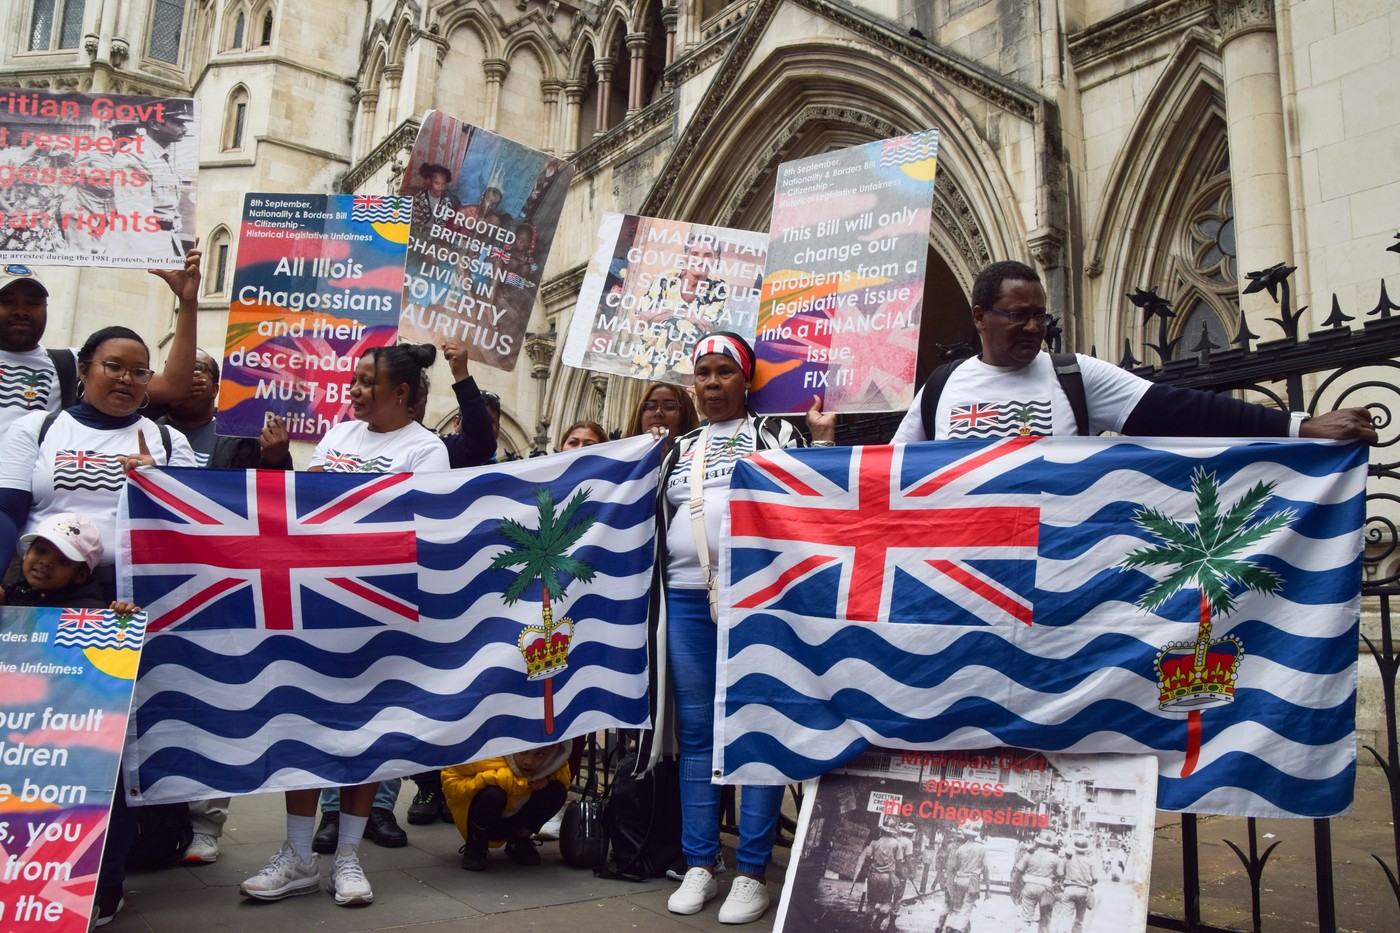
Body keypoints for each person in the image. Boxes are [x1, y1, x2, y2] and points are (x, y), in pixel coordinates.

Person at [0, 323, 199, 926]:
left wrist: (157, 485)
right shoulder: (34, 430)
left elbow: (196, 529)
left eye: (140, 371)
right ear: (84, 369)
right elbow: (8, 513)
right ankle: (22, 877)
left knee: (104, 754)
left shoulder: (167, 440)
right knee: (30, 748)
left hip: (121, 611)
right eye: (114, 366)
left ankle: (98, 883)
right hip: (38, 607)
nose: (127, 379)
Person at [239, 343, 447, 909]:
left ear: (399, 392)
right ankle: (299, 856)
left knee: (364, 730)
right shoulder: (337, 437)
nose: (351, 390)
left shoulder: (426, 451)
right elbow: (305, 513)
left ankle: (349, 858)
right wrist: (281, 462)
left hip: (379, 611)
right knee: (304, 725)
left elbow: (416, 529)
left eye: (363, 381)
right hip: (318, 605)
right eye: (353, 380)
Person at [649, 332, 834, 924]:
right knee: (699, 731)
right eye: (701, 372)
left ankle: (752, 870)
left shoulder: (778, 435)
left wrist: (824, 445)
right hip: (684, 599)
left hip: (760, 601)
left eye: (723, 372)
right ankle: (702, 862)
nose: (710, 383)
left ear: (746, 380)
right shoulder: (680, 448)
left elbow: (812, 500)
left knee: (757, 725)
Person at [891, 260, 1376, 445]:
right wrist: (824, 450)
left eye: (1040, 315)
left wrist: (1300, 426)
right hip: (960, 580)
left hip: (1057, 573)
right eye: (1018, 315)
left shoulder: (1073, 376)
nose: (1034, 327)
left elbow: (1185, 411)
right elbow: (879, 479)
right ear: (980, 317)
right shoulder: (940, 389)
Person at [154, 348, 292, 864]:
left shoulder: (238, 438)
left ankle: (204, 822)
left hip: (217, 591)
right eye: (182, 370)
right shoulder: (143, 429)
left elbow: (269, 504)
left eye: (204, 373)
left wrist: (276, 458)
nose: (192, 379)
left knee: (216, 701)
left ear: (218, 389)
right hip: (152, 590)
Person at [0, 252, 201, 440]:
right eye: (7, 301)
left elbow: (173, 386)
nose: (21, 311)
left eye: (32, 303)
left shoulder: (69, 364)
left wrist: (188, 301)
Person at [443, 741, 571, 871]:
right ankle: (476, 845)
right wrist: (491, 778)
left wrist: (547, 780)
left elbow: (564, 780)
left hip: (517, 820)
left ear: (552, 751)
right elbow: (451, 782)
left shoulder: (554, 762)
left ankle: (520, 840)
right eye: (523, 751)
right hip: (479, 820)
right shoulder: (485, 757)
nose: (528, 761)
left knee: (556, 790)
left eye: (539, 754)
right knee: (494, 795)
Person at [0, 511, 139, 616]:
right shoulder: (9, 595)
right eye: (40, 550)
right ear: (26, 553)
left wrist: (117, 623)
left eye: (63, 561)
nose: (46, 562)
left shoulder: (90, 613)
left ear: (80, 575)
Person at [853, 822, 909, 931]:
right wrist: (899, 876)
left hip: (873, 875)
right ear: (892, 831)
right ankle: (878, 919)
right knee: (887, 901)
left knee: (871, 901)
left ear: (883, 830)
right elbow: (898, 863)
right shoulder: (897, 844)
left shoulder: (874, 842)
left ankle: (866, 925)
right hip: (887, 876)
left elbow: (867, 857)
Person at [624, 381, 699, 453]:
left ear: (686, 417)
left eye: (669, 407)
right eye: (651, 407)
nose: (658, 412)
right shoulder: (621, 457)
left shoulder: (700, 457)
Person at [1011, 830, 1062, 933]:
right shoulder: (1055, 858)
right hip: (1047, 889)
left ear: (1037, 843)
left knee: (1026, 918)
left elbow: (1019, 871)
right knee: (1045, 919)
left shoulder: (1029, 855)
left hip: (1029, 887)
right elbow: (1060, 875)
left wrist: (1018, 885)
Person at [941, 821, 988, 933]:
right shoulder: (981, 849)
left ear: (965, 835)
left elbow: (954, 868)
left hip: (960, 880)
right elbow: (985, 869)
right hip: (973, 880)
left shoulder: (960, 849)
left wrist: (950, 883)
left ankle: (949, 927)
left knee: (956, 908)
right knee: (966, 909)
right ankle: (958, 930)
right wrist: (988, 888)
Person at [1054, 835, 1099, 933]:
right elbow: (1095, 879)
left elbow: (1060, 873)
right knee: (1079, 919)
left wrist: (1066, 879)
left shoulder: (1068, 859)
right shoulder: (1090, 861)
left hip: (1069, 889)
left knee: (1066, 917)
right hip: (1083, 891)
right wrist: (1089, 884)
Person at [410, 163, 460, 228]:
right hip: (421, 229)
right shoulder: (420, 197)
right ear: (429, 181)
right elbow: (415, 218)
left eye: (443, 184)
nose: (441, 187)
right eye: (437, 183)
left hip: (439, 231)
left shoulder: (448, 198)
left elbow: (459, 208)